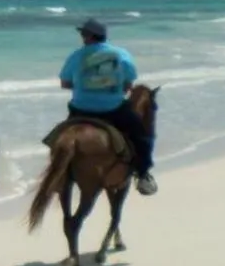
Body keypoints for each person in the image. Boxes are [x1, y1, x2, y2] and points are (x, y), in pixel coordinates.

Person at [59, 18, 157, 195]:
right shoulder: (121, 55)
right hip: (112, 110)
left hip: (80, 109)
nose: (82, 37)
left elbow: (65, 83)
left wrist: (85, 85)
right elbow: (128, 85)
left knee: (59, 138)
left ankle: (58, 175)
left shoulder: (76, 55)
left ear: (89, 36)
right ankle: (143, 174)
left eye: (83, 34)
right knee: (142, 136)